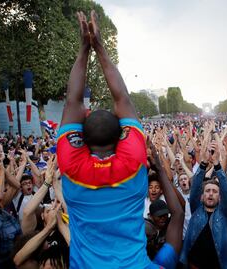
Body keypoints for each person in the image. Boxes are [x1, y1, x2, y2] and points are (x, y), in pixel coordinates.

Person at [56, 11, 169, 268]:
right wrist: (98, 47)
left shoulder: (73, 168)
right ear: (121, 136)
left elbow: (72, 101)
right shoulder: (131, 162)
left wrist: (84, 48)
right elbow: (123, 100)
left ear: (82, 139)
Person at [180, 140, 227, 268]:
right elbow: (195, 187)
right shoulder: (196, 209)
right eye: (208, 191)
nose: (210, 194)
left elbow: (226, 191)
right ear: (201, 196)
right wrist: (203, 162)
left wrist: (217, 163)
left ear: (220, 197)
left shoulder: (224, 213)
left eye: (215, 191)